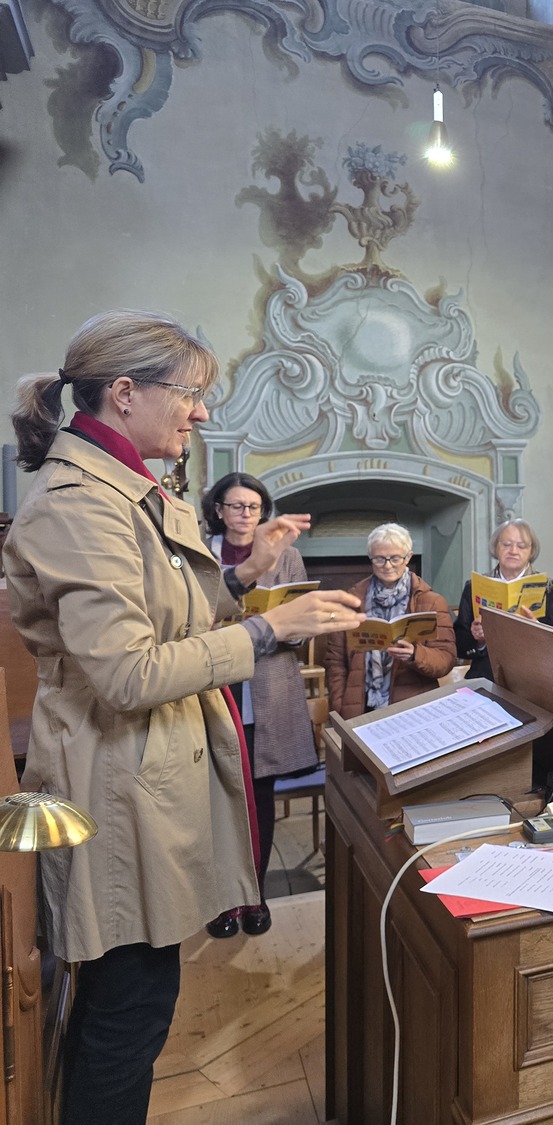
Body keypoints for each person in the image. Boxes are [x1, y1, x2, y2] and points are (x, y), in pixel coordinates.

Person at [3, 309, 364, 1125]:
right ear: (126, 392)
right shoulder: (79, 502)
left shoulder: (123, 485)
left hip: (144, 774)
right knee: (125, 1012)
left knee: (134, 1002)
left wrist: (244, 578)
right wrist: (269, 629)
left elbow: (167, 615)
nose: (200, 411)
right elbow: (128, 671)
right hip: (114, 780)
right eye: (190, 393)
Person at [199, 471, 322, 940]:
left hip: (266, 688)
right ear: (218, 510)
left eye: (254, 507)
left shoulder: (286, 555)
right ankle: (220, 901)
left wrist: (273, 626)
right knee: (215, 796)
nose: (246, 514)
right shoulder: (200, 552)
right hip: (212, 684)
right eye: (236, 506)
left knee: (259, 795)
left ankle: (255, 895)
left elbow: (304, 625)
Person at [324, 523, 458, 717]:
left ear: (408, 557)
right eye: (379, 559)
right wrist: (340, 705)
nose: (387, 566)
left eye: (395, 558)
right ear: (370, 558)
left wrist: (415, 655)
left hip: (414, 709)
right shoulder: (352, 601)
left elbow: (446, 659)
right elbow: (335, 661)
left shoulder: (431, 602)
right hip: (362, 708)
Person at [455, 518, 553, 679]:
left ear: (531, 551)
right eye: (506, 544)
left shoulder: (550, 589)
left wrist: (536, 628)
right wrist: (479, 640)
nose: (513, 551)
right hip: (486, 674)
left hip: (533, 676)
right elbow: (460, 645)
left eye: (521, 546)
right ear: (495, 547)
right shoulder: (474, 587)